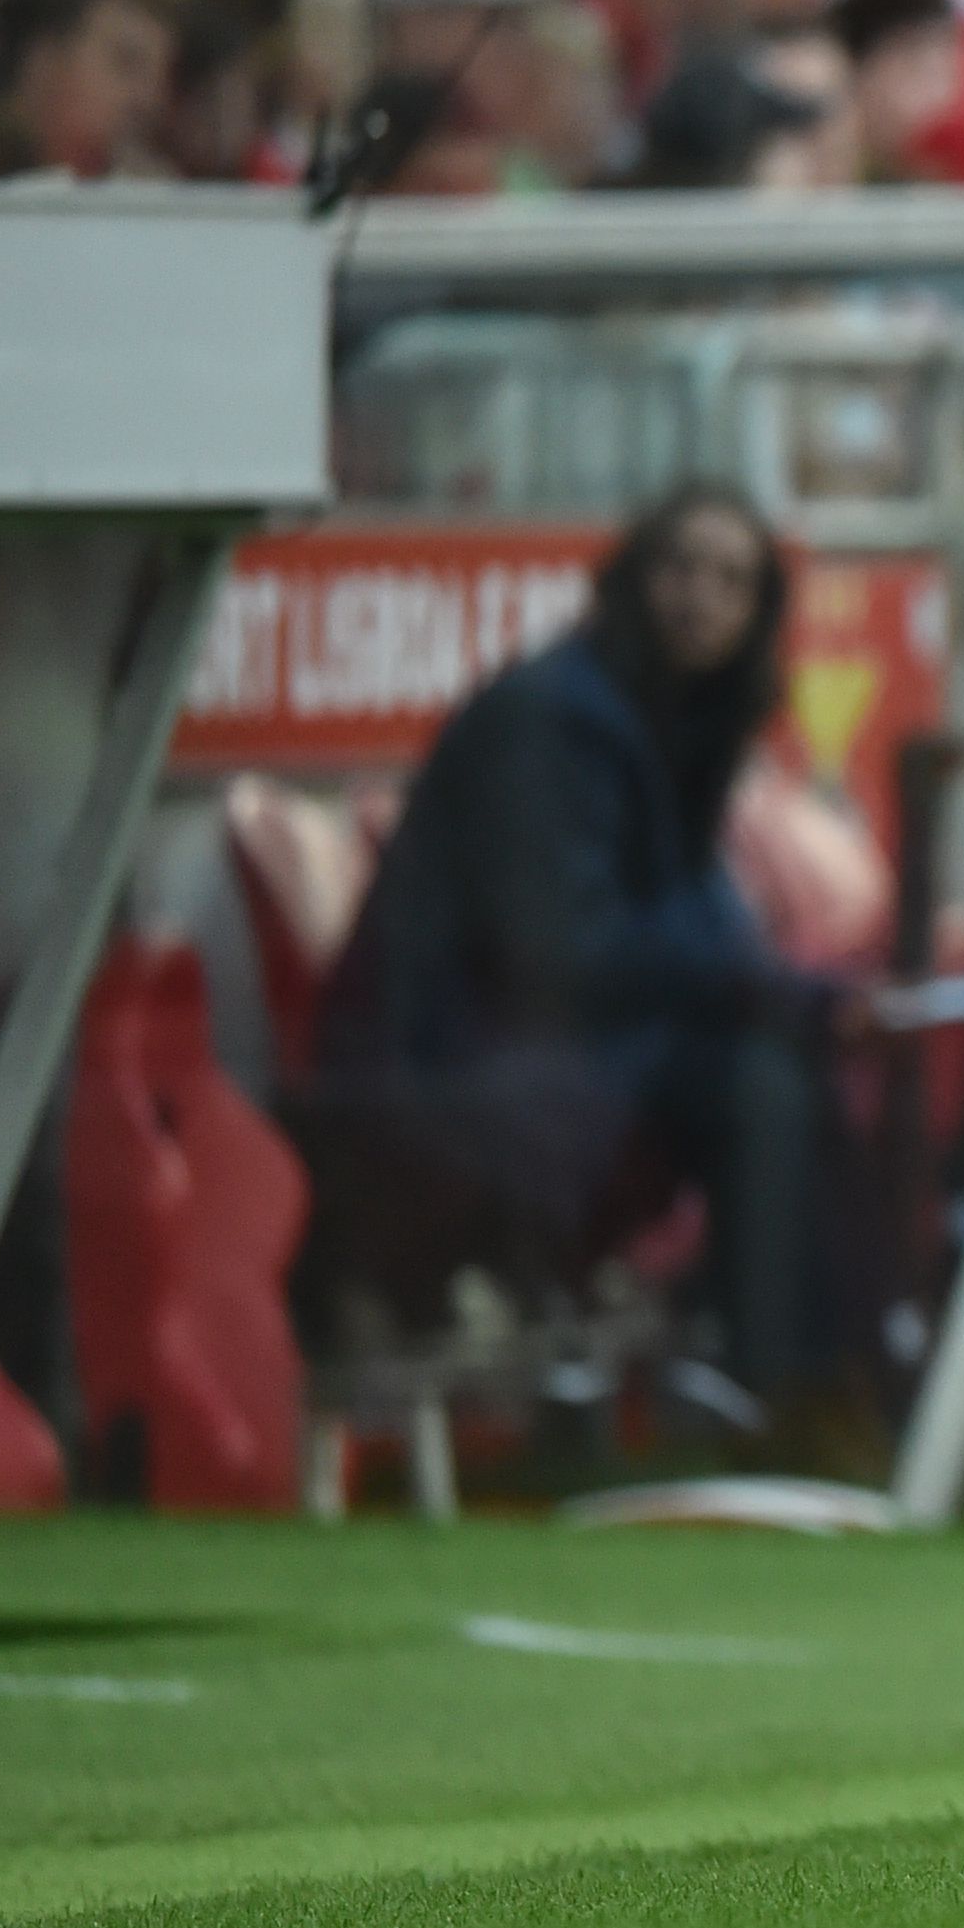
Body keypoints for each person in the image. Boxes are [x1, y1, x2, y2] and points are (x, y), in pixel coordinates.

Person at [304, 486, 838, 1407]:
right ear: (632, 577)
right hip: (448, 1059)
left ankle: (785, 1375)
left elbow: (699, 917)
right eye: (680, 567)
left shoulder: (669, 722)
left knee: (782, 1059)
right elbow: (562, 949)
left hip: (552, 1047)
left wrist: (785, 989)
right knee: (762, 1088)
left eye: (732, 581)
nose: (700, 598)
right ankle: (770, 1390)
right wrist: (757, 985)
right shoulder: (554, 718)